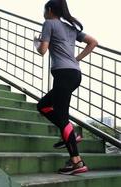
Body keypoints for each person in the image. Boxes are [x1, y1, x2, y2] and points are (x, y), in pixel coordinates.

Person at [34, 0, 98, 175]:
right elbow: (93, 42)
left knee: (61, 117)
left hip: (63, 74)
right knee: (43, 106)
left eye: (44, 10)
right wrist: (76, 60)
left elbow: (43, 50)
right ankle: (71, 135)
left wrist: (37, 43)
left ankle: (77, 163)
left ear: (49, 10)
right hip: (74, 74)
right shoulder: (70, 27)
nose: (43, 13)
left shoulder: (49, 23)